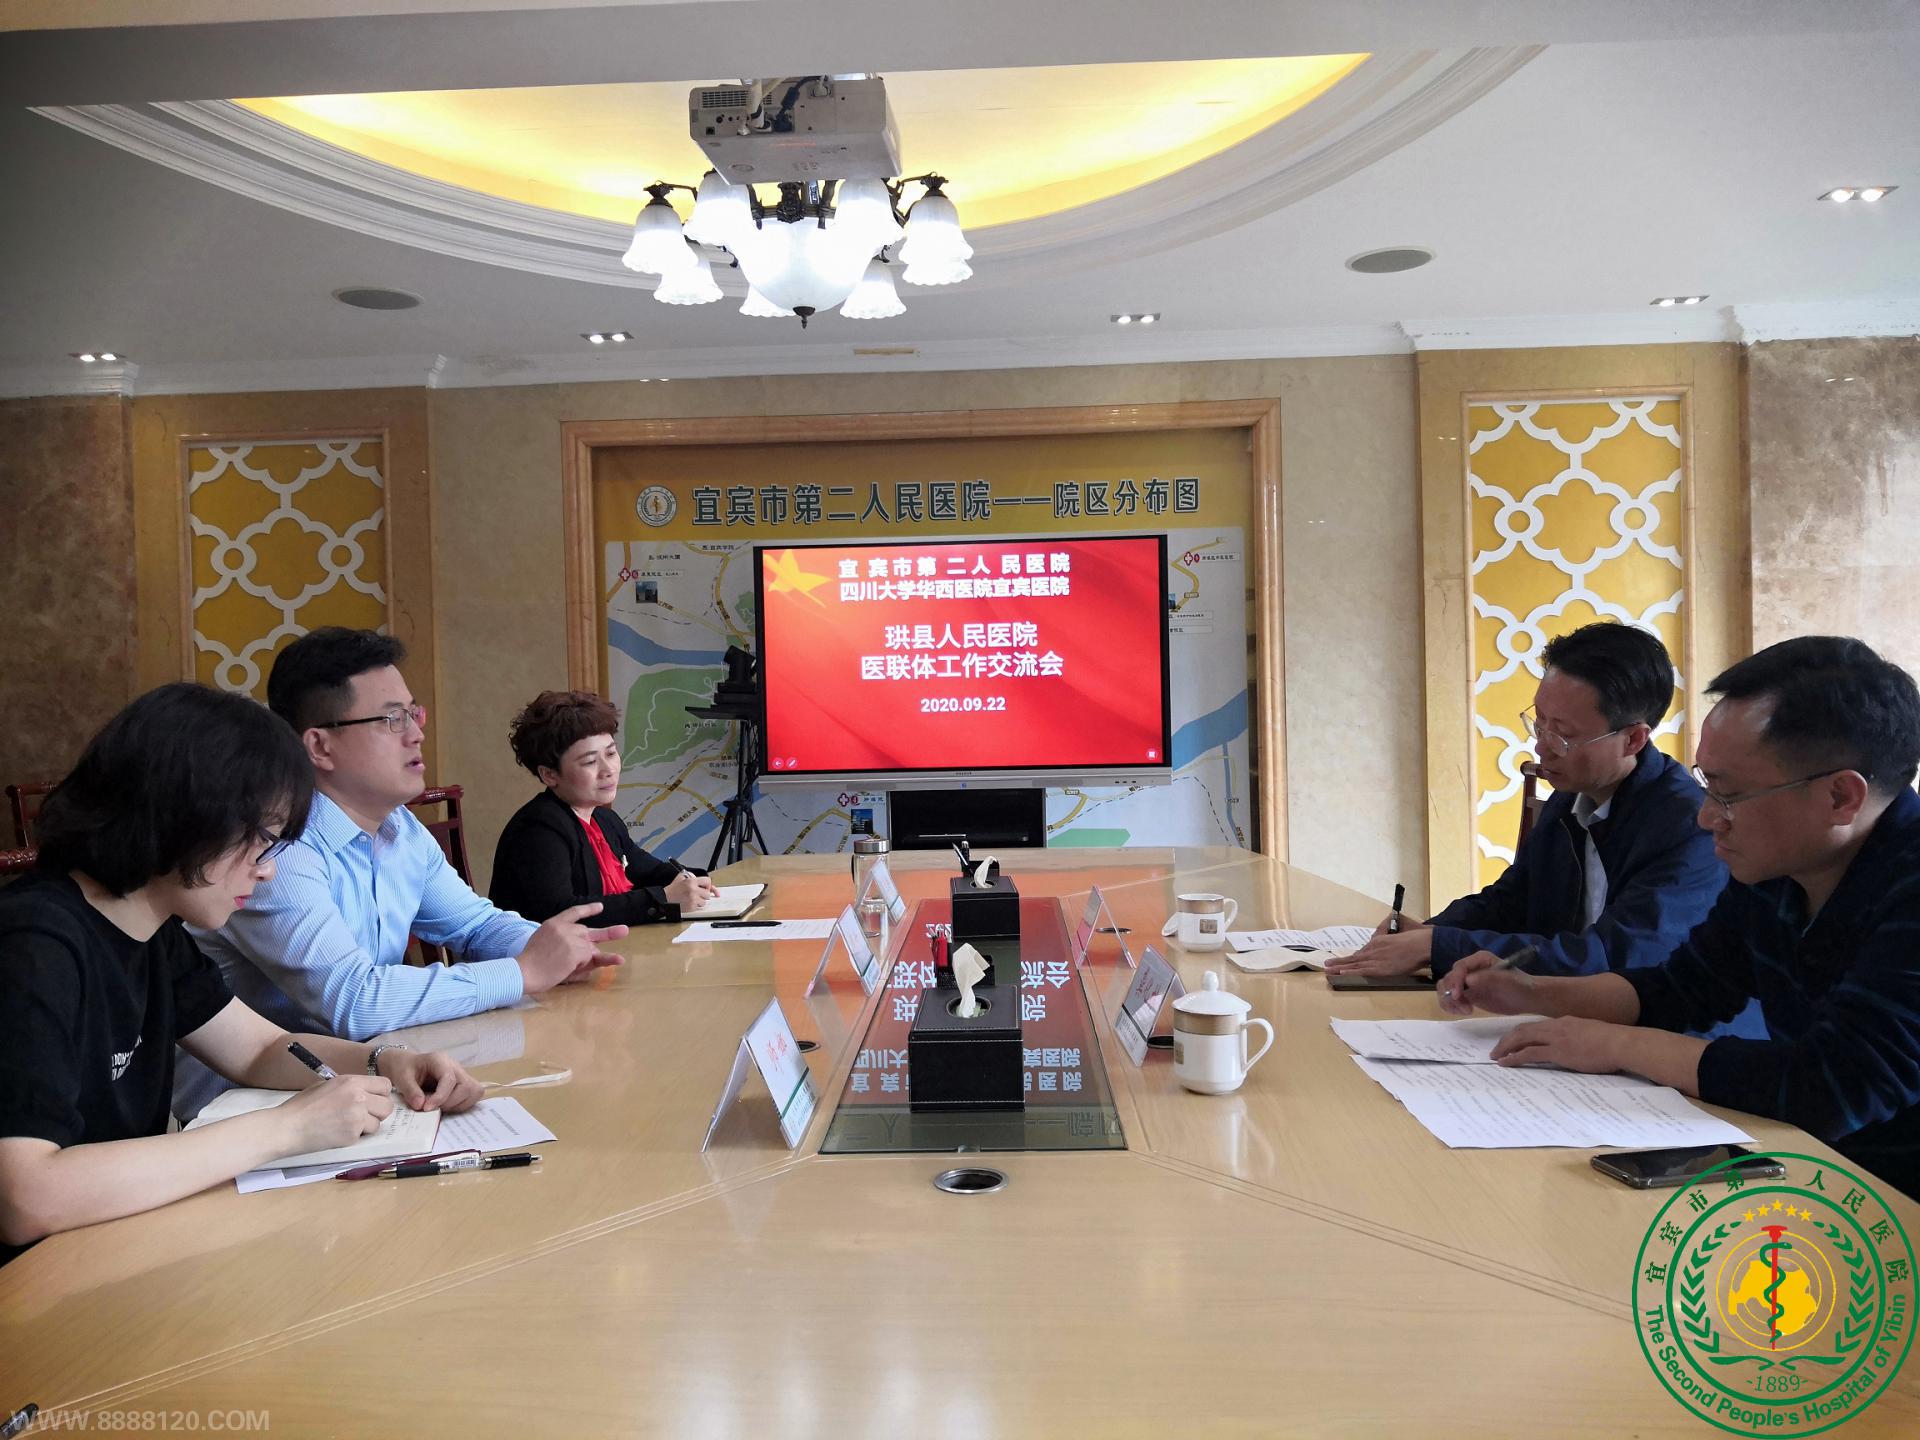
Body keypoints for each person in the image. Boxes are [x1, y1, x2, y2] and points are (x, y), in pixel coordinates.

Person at [0, 684, 484, 1266]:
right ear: (184, 815)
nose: (268, 870)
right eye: (261, 842)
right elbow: (26, 1196)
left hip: (110, 1242)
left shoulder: (154, 929)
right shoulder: (34, 944)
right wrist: (283, 1130)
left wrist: (388, 1061)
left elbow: (259, 1049)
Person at [1442, 637, 1920, 1199]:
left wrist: (1615, 1045)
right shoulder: (1777, 865)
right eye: (1705, 784)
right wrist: (1531, 992)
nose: (1706, 817)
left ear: (1840, 798)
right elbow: (1682, 989)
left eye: (1728, 794)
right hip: (1815, 1172)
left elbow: (1829, 1090)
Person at [186, 629, 626, 1061]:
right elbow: (353, 1002)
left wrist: (557, 950)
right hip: (261, 1097)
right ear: (320, 746)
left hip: (373, 1075)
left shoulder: (400, 828)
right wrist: (522, 971)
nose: (416, 734)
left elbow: (475, 925)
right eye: (392, 719)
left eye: (414, 714)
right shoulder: (274, 847)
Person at [1329, 623, 1757, 1037]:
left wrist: (1440, 946)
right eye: (1539, 723)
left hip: (1668, 1042)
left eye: (1562, 735)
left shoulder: (1689, 827)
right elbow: (1510, 901)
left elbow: (1615, 958)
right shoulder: (1569, 800)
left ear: (1633, 740)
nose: (1540, 746)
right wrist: (1428, 931)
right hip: (1573, 1024)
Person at [489, 690, 716, 926]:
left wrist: (691, 880)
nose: (608, 769)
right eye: (590, 761)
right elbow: (562, 912)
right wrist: (664, 898)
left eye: (611, 753)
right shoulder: (537, 830)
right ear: (549, 775)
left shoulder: (605, 819)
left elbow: (648, 870)